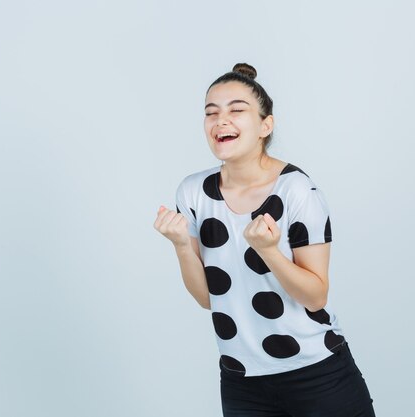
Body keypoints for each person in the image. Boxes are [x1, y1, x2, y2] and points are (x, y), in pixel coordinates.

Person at [153, 63, 376, 417]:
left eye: (236, 110)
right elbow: (209, 300)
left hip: (317, 375)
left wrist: (270, 252)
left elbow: (316, 295)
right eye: (211, 113)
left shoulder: (297, 190)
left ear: (265, 125)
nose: (220, 120)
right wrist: (181, 245)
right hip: (242, 380)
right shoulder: (193, 192)